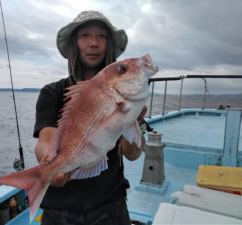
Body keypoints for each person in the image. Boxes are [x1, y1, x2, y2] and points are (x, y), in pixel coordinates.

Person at [33, 10, 147, 225]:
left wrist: (133, 122)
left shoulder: (125, 95)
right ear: (74, 44)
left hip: (110, 206)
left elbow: (132, 154)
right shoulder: (52, 92)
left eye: (102, 36)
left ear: (110, 44)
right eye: (84, 35)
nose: (94, 42)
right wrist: (49, 165)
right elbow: (45, 141)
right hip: (59, 210)